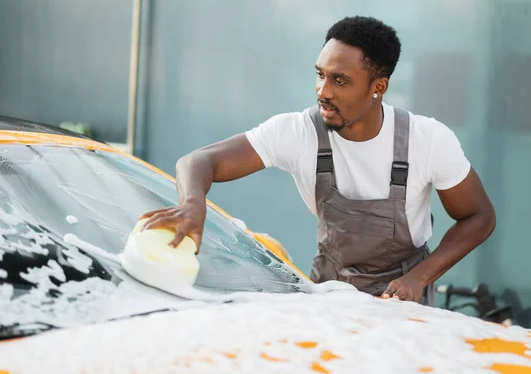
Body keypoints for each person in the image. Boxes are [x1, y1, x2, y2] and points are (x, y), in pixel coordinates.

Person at [140, 16, 496, 306]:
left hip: (404, 305)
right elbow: (199, 161)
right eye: (320, 74)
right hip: (328, 296)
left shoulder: (427, 140)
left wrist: (419, 277)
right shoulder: (298, 132)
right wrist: (191, 204)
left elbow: (479, 217)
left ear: (379, 86)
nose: (323, 91)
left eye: (340, 81)